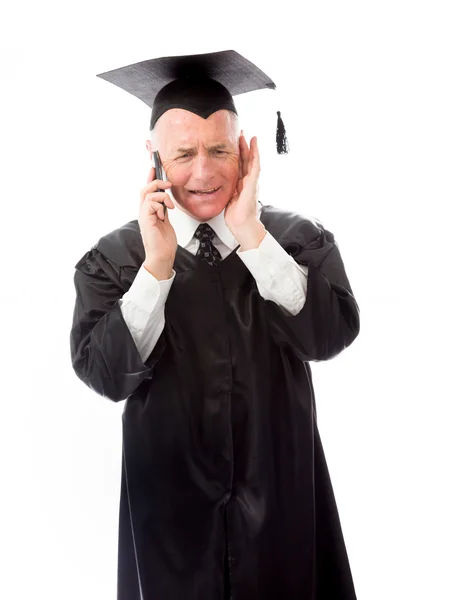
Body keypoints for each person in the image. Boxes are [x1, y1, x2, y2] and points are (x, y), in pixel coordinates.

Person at [70, 50, 361, 600]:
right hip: (169, 514)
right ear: (152, 155)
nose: (202, 172)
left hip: (280, 498)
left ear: (245, 150)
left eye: (218, 150)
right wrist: (156, 269)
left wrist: (253, 237)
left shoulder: (295, 239)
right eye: (182, 153)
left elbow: (330, 336)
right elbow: (106, 376)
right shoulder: (116, 258)